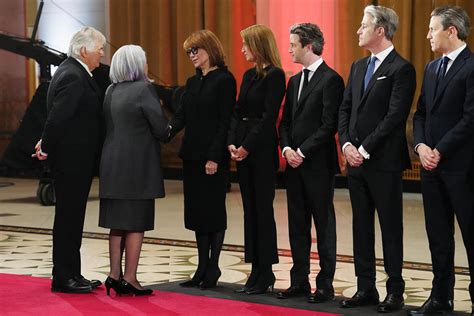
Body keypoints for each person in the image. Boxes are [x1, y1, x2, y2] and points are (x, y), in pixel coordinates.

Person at [338, 5, 416, 313]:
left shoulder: (401, 68)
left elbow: (395, 116)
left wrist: (365, 149)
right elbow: (345, 108)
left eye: (363, 25)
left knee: (390, 227)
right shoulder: (358, 66)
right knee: (360, 227)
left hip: (382, 162)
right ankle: (365, 288)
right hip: (355, 161)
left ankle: (395, 291)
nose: (358, 30)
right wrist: (345, 143)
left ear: (380, 30)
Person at [410, 6, 474, 315]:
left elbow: (470, 118)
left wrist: (440, 149)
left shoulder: (472, 67)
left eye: (433, 29)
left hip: (463, 169)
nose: (428, 35)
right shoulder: (432, 68)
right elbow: (421, 113)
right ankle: (440, 297)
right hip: (431, 167)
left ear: (452, 31)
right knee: (438, 235)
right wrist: (421, 146)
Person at [32, 26, 106, 294]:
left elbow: (59, 115)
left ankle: (72, 273)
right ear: (84, 50)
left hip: (73, 160)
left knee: (71, 219)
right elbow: (59, 117)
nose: (102, 53)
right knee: (68, 220)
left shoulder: (69, 70)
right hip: (72, 161)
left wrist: (46, 143)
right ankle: (64, 277)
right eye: (99, 48)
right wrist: (47, 145)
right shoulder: (75, 75)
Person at [277, 23, 344, 303]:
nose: (289, 48)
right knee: (297, 225)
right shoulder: (293, 81)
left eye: (293, 44)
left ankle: (325, 285)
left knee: (323, 225)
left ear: (308, 46)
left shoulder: (332, 80)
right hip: (294, 165)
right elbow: (285, 124)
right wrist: (287, 149)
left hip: (317, 165)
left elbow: (329, 125)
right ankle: (299, 282)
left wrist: (302, 151)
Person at [99, 45, 169, 296]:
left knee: (116, 224)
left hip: (111, 164)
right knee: (136, 222)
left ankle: (113, 275)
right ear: (137, 65)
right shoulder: (144, 89)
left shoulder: (110, 90)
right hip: (137, 167)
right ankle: (130, 278)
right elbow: (161, 130)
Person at [169, 30, 236, 289]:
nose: (192, 56)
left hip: (212, 158)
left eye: (195, 50)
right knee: (197, 213)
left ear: (209, 49)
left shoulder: (225, 80)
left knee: (213, 212)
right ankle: (200, 267)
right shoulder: (193, 81)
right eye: (189, 52)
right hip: (192, 157)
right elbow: (181, 115)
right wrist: (165, 131)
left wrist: (214, 157)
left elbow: (224, 122)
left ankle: (213, 266)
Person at [227, 24, 286, 295]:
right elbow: (238, 112)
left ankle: (266, 272)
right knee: (249, 212)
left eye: (245, 45)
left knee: (263, 212)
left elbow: (268, 117)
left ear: (258, 45)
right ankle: (254, 270)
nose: (242, 50)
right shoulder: (248, 75)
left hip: (260, 152)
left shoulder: (275, 76)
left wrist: (247, 146)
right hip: (243, 150)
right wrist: (233, 142)